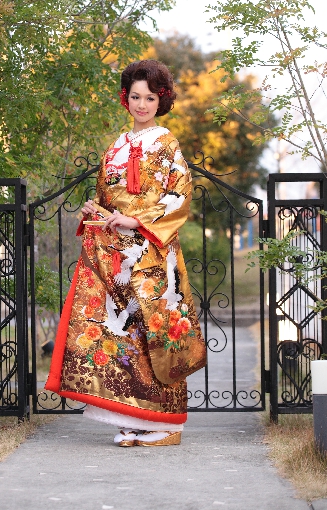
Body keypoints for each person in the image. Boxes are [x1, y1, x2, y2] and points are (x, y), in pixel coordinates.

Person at [45, 59, 206, 447]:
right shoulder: (116, 146)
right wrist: (96, 212)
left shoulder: (166, 144)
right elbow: (107, 198)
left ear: (161, 100)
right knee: (125, 335)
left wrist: (136, 220)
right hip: (116, 253)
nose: (142, 105)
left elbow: (179, 195)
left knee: (157, 332)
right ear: (125, 98)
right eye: (135, 96)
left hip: (152, 251)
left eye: (150, 98)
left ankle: (166, 425)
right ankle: (134, 418)